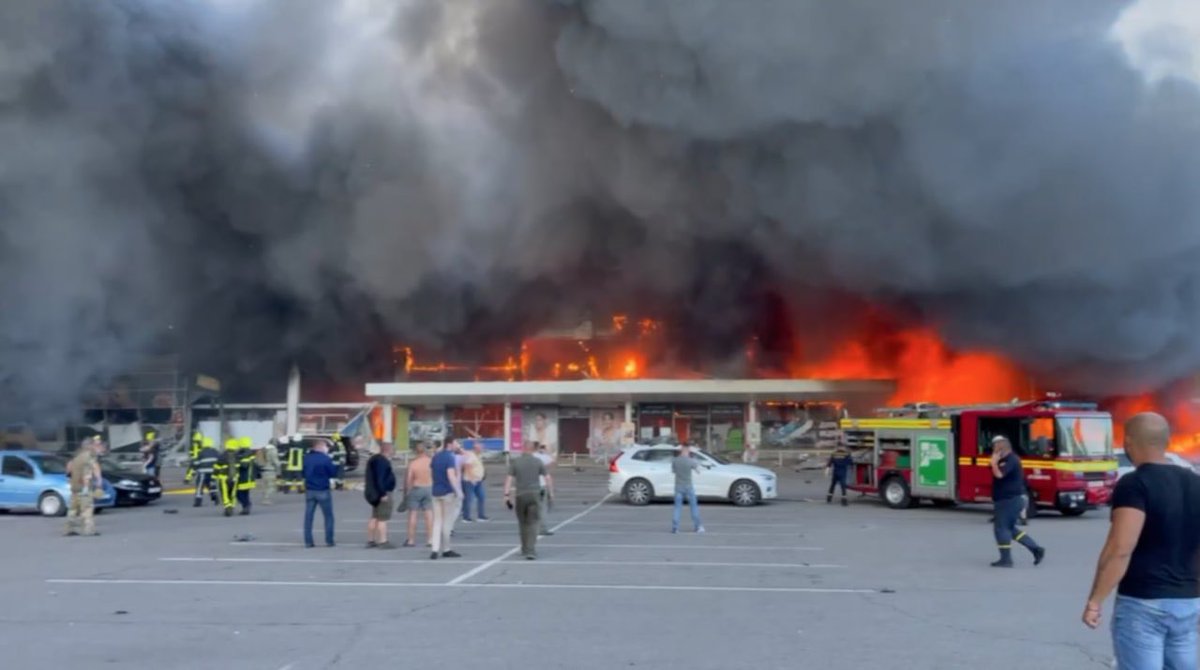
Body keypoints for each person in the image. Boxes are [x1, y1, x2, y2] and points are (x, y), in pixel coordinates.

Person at [1083, 412, 1200, 669]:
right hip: (1189, 603)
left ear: (1128, 443)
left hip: (1144, 604)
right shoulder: (1195, 482)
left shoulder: (1135, 484)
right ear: (1166, 442)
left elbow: (1120, 548)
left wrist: (1095, 601)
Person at [989, 436, 1044, 568]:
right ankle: (1036, 549)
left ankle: (1006, 560)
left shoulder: (1012, 460)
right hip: (1008, 500)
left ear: (1002, 448)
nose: (993, 450)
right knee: (1010, 529)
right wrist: (995, 462)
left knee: (1001, 529)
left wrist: (993, 463)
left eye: (996, 448)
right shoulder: (1005, 460)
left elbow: (999, 475)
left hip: (1009, 500)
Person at [504, 441, 549, 560]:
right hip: (534, 495)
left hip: (520, 495)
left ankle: (524, 548)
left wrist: (506, 495)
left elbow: (509, 479)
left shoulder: (516, 462)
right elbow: (547, 477)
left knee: (523, 523)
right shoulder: (538, 462)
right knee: (533, 523)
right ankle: (531, 550)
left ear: (523, 448)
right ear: (534, 449)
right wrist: (548, 492)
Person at [429, 439, 463, 559]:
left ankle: (434, 549)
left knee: (437, 521)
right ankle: (446, 549)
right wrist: (458, 491)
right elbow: (451, 475)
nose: (456, 446)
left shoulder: (436, 457)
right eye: (455, 443)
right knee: (447, 522)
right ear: (449, 444)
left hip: (435, 491)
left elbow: (432, 473)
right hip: (447, 492)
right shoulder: (450, 457)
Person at [65, 436, 105, 537]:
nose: (97, 447)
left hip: (74, 486)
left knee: (73, 509)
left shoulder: (77, 456)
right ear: (90, 445)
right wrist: (99, 482)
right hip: (85, 486)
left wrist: (71, 478)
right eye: (95, 445)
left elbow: (69, 468)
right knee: (87, 508)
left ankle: (69, 529)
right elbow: (95, 468)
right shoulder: (90, 456)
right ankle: (88, 530)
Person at [303, 440, 338, 548]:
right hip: (323, 489)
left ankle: (308, 541)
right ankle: (329, 540)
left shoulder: (306, 458)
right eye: (325, 447)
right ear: (320, 447)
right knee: (328, 516)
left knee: (308, 517)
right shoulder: (326, 459)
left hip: (310, 490)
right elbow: (333, 473)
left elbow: (303, 472)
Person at [364, 442, 397, 549]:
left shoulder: (374, 459)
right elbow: (381, 479)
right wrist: (383, 493)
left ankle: (370, 540)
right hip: (382, 493)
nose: (394, 452)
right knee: (383, 518)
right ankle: (383, 541)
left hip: (373, 493)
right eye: (393, 449)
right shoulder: (382, 462)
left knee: (375, 516)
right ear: (388, 450)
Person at [403, 443, 435, 548]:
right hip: (429, 487)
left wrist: (407, 491)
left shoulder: (413, 463)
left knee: (413, 514)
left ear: (416, 452)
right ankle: (430, 539)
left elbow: (409, 479)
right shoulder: (431, 462)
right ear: (425, 451)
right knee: (429, 514)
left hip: (416, 488)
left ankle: (411, 540)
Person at [671, 443, 705, 534]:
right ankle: (698, 526)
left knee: (677, 507)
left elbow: (673, 471)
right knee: (693, 507)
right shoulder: (691, 461)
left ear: (681, 450)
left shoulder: (675, 460)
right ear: (688, 450)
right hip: (688, 486)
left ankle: (675, 527)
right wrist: (695, 461)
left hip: (678, 486)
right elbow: (698, 471)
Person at [461, 441, 487, 522]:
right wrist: (471, 477)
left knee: (481, 497)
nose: (483, 449)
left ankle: (481, 516)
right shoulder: (471, 456)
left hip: (478, 480)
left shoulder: (478, 455)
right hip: (470, 481)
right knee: (469, 499)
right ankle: (466, 517)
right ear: (476, 449)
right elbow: (467, 466)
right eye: (481, 448)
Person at [214, 439, 239, 517]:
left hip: (223, 478)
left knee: (224, 494)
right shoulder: (237, 456)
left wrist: (214, 477)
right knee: (232, 493)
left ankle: (227, 507)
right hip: (235, 478)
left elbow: (217, 467)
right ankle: (231, 505)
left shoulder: (222, 455)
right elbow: (239, 467)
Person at [535, 443, 555, 536]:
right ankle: (542, 528)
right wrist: (547, 452)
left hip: (527, 486)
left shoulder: (526, 457)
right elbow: (552, 462)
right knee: (542, 507)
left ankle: (528, 527)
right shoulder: (542, 458)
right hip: (541, 485)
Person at [192, 436, 219, 507]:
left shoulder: (201, 452)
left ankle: (198, 501)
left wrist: (194, 469)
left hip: (203, 472)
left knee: (200, 486)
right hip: (213, 471)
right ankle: (215, 498)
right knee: (212, 484)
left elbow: (196, 463)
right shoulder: (215, 451)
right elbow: (219, 461)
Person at [235, 436, 256, 515]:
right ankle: (246, 507)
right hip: (249, 477)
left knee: (238, 493)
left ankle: (246, 505)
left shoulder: (245, 453)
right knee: (245, 494)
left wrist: (237, 461)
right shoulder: (249, 452)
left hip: (244, 477)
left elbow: (244, 465)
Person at [258, 438, 279, 505]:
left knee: (265, 486)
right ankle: (266, 499)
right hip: (270, 470)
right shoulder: (273, 450)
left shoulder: (263, 449)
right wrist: (279, 467)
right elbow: (275, 461)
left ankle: (264, 498)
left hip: (263, 470)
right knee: (271, 486)